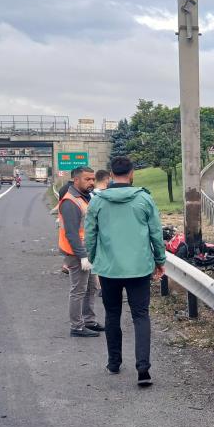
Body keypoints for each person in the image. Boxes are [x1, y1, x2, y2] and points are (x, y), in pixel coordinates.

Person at [85, 156, 166, 386]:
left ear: (111, 174)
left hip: (109, 269)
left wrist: (94, 258)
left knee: (112, 315)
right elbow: (156, 234)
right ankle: (143, 369)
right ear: (131, 173)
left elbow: (90, 235)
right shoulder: (144, 199)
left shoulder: (98, 202)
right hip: (139, 268)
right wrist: (159, 260)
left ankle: (114, 362)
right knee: (141, 315)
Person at [58, 166, 103, 337]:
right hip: (76, 254)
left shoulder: (85, 197)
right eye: (87, 179)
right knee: (78, 290)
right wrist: (82, 256)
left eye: (93, 179)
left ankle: (89, 321)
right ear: (76, 180)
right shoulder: (70, 202)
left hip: (88, 251)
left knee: (91, 287)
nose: (91, 182)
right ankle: (76, 327)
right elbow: (71, 233)